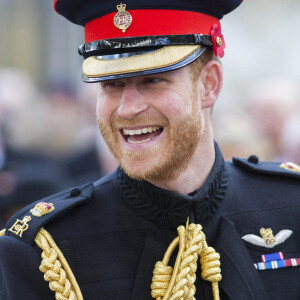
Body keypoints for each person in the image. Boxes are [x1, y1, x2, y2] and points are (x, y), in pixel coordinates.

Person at [0, 1, 299, 300]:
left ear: (209, 84)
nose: (128, 109)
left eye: (152, 81)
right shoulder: (41, 250)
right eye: (111, 84)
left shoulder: (291, 205)